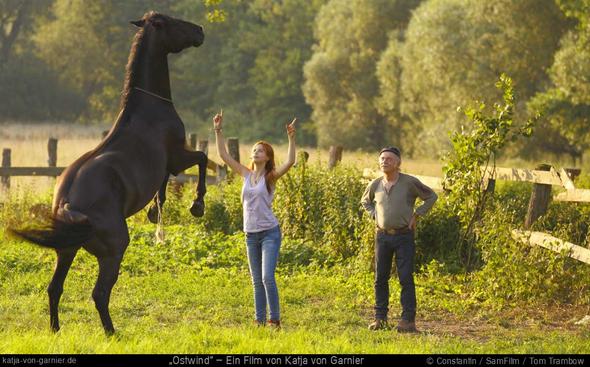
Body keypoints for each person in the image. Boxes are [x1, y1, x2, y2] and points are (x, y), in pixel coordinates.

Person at [213, 110, 296, 329]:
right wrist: (218, 130)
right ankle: (259, 321)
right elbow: (223, 155)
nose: (256, 152)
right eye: (255, 150)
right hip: (250, 234)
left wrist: (291, 138)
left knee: (267, 277)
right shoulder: (246, 174)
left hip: (270, 232)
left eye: (261, 151)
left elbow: (290, 161)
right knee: (256, 280)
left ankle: (274, 320)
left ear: (267, 157)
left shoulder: (271, 177)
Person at [360, 146, 438, 333]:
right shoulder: (376, 184)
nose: (384, 161)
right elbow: (365, 201)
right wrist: (374, 215)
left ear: (398, 163)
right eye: (382, 158)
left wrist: (417, 214)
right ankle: (380, 319)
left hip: (404, 236)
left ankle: (408, 321)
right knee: (380, 278)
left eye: (389, 159)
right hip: (382, 236)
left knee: (405, 278)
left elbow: (431, 196)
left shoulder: (409, 183)